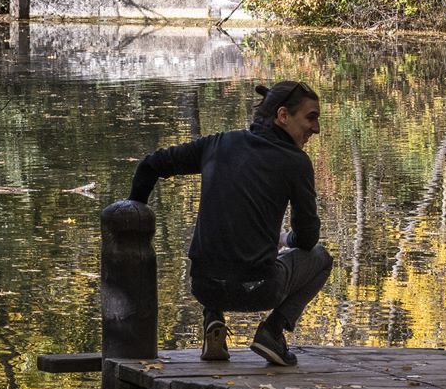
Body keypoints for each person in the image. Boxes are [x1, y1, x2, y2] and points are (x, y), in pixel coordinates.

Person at [128, 79, 332, 368]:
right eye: (311, 118)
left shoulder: (218, 144)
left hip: (204, 286)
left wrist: (135, 222)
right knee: (322, 259)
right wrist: (286, 241)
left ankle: (213, 319)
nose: (316, 128)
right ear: (283, 115)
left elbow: (150, 166)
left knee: (220, 242)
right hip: (260, 289)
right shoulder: (295, 162)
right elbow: (309, 239)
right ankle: (272, 333)